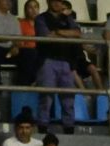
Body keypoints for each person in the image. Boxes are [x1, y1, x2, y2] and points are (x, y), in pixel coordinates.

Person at [34, 0, 81, 134]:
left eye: (59, 1)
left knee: (68, 99)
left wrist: (57, 31)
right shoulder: (41, 18)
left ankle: (69, 129)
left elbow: (77, 33)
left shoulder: (67, 18)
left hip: (66, 62)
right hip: (47, 61)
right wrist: (67, 34)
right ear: (48, 1)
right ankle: (43, 128)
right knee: (46, 98)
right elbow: (46, 36)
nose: (57, 3)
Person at [18, 0, 41, 85]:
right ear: (26, 10)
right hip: (26, 50)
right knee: (31, 53)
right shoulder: (21, 23)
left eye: (35, 7)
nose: (33, 10)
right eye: (30, 7)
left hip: (40, 51)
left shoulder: (42, 24)